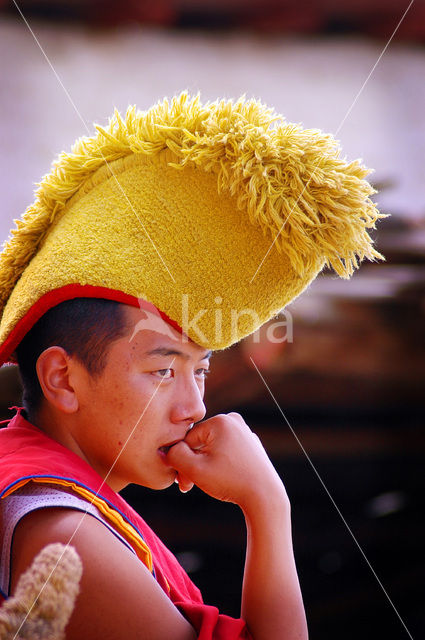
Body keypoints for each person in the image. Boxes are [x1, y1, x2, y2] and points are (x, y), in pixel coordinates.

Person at [0, 93, 385, 640]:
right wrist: (267, 505)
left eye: (199, 370)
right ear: (62, 378)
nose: (195, 407)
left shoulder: (38, 487)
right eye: (163, 370)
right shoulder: (66, 543)